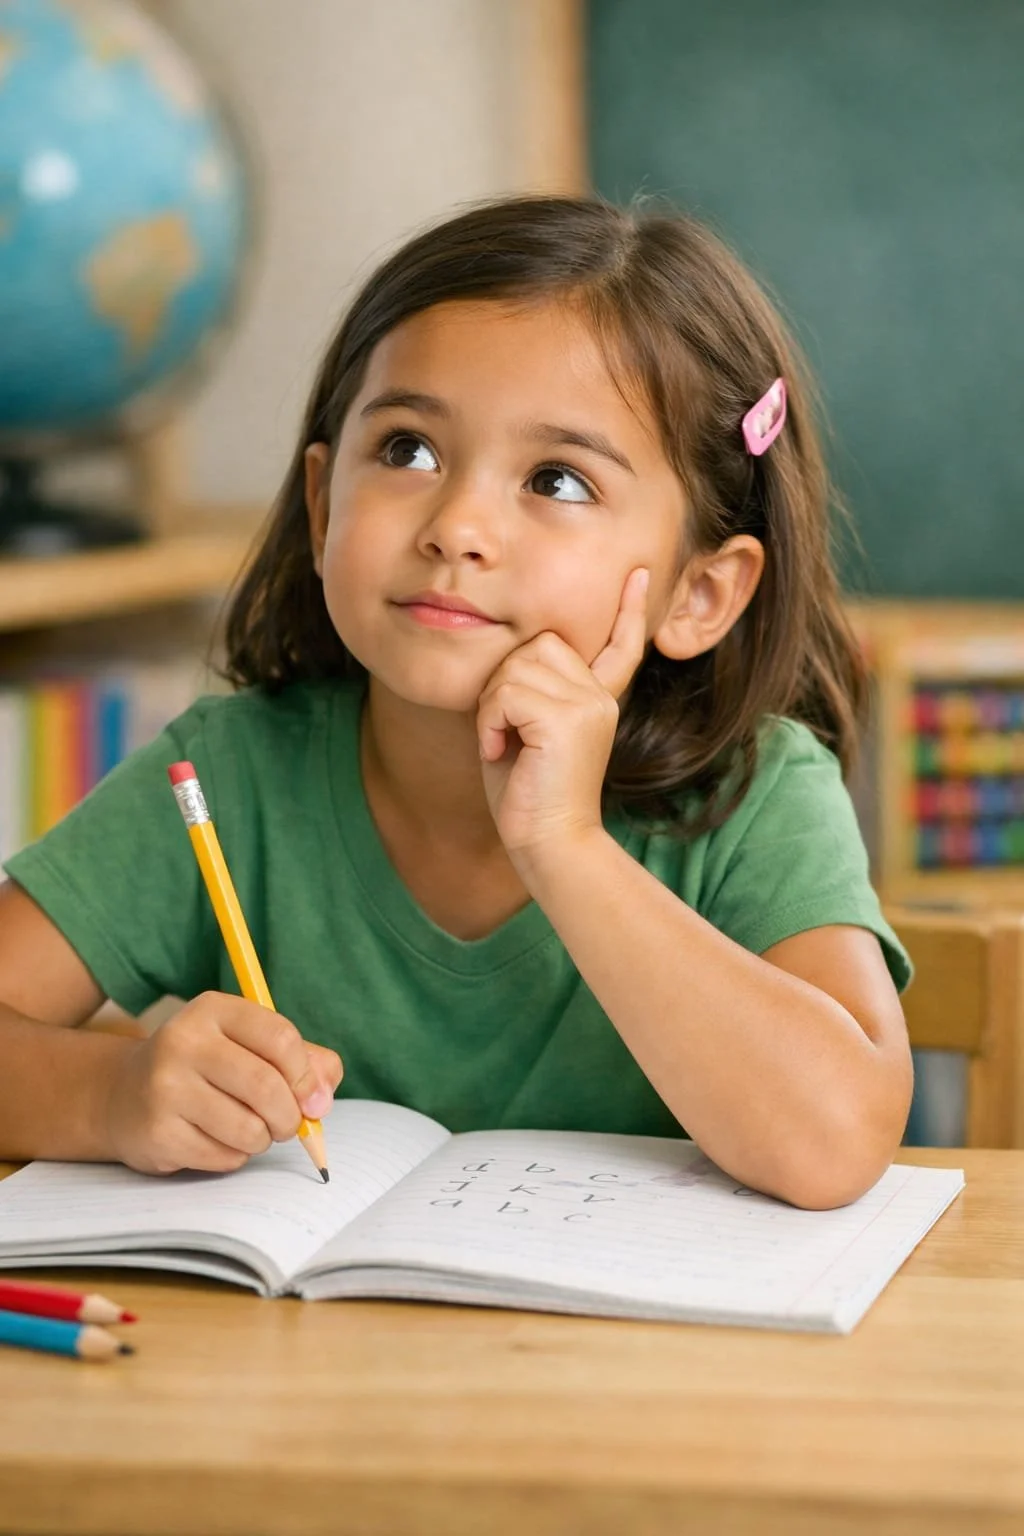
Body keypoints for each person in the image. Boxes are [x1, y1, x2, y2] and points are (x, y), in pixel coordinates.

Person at [0, 196, 913, 1208]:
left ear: (698, 593)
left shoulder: (758, 794)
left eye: (557, 481)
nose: (458, 525)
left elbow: (836, 1142)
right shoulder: (227, 776)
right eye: (406, 451)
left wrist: (564, 845)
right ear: (321, 500)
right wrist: (115, 1089)